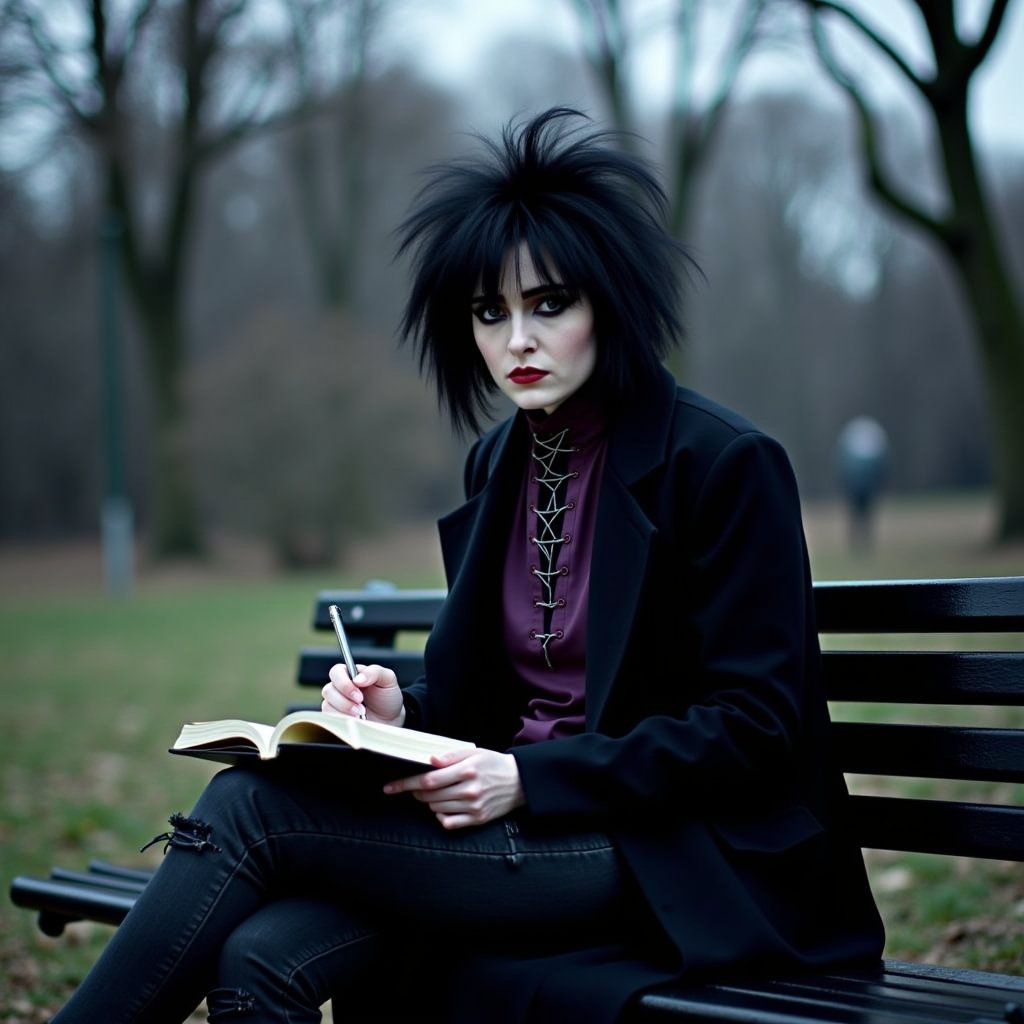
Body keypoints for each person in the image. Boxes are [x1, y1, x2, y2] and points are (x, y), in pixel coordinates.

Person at [51, 108, 883, 1024]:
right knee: (260, 959)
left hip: (666, 854)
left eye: (548, 304)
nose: (516, 340)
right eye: (491, 313)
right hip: (504, 836)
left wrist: (533, 779)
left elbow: (754, 727)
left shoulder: (721, 464)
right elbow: (494, 694)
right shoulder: (501, 464)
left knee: (252, 807)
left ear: (609, 299)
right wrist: (401, 712)